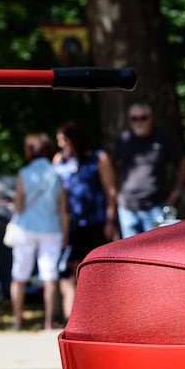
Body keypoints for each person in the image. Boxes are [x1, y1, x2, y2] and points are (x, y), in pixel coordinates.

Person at [52, 120, 117, 318]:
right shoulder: (59, 161)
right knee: (67, 271)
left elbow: (110, 190)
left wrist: (110, 220)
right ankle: (72, 319)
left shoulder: (98, 158)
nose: (62, 145)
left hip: (95, 223)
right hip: (69, 225)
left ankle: (100, 317)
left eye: (64, 140)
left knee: (96, 272)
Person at [8, 132, 68, 331]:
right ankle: (49, 323)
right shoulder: (56, 175)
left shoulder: (24, 173)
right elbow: (62, 210)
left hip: (26, 228)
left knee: (19, 275)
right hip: (51, 229)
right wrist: (65, 234)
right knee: (50, 276)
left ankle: (17, 321)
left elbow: (18, 206)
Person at [112, 103, 185, 237]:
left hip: (156, 206)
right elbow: (109, 166)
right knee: (130, 254)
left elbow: (181, 162)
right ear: (129, 121)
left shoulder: (163, 139)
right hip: (127, 207)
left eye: (143, 118)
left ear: (150, 118)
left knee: (154, 252)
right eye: (135, 118)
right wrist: (114, 193)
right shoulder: (123, 140)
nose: (139, 122)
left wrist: (177, 191)